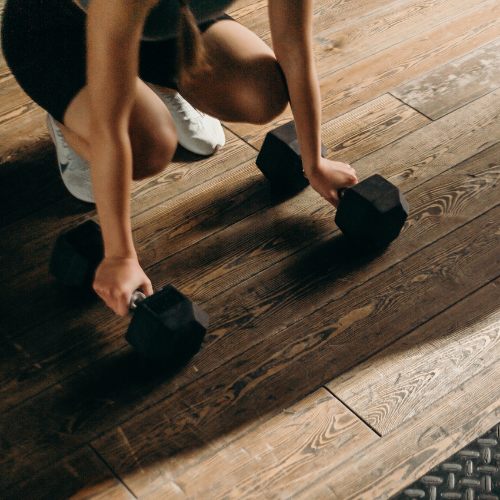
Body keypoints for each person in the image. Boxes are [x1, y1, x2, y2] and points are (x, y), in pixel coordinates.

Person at [2, 0, 358, 316]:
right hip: (60, 34)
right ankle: (68, 117)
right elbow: (111, 128)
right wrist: (119, 256)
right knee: (146, 148)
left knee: (260, 92)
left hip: (165, 24)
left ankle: (161, 87)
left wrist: (314, 161)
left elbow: (294, 49)